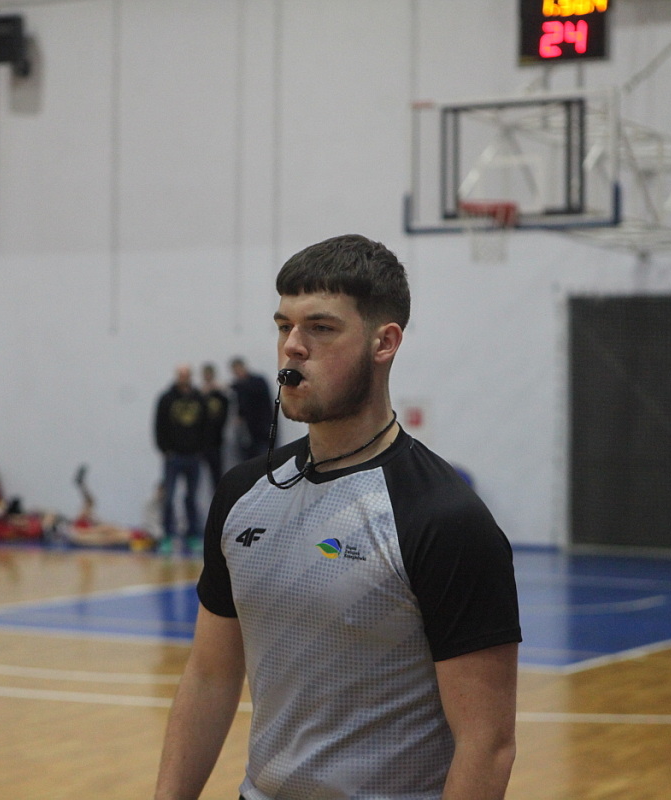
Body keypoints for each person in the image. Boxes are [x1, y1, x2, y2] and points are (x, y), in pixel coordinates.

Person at [155, 234, 522, 800]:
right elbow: (210, 675)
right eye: (284, 326)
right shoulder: (242, 493)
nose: (292, 347)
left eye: (321, 328)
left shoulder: (444, 518)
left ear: (384, 342)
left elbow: (487, 744)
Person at [153, 364, 206, 552]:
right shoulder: (166, 398)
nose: (184, 377)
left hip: (193, 456)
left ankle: (192, 535)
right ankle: (167, 535)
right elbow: (159, 425)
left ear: (191, 376)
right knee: (168, 498)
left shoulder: (199, 398)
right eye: (181, 374)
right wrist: (164, 449)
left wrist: (201, 449)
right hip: (173, 456)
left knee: (191, 498)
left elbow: (206, 425)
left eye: (187, 374)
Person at [229, 356, 272, 460]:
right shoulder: (239, 387)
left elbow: (254, 395)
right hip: (247, 432)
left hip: (262, 430)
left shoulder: (257, 382)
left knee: (263, 461)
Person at [198, 362, 230, 493]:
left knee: (217, 473)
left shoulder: (220, 394)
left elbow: (226, 412)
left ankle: (218, 497)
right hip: (200, 440)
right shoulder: (198, 395)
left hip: (216, 440)